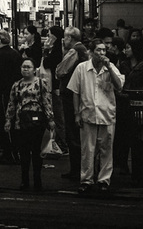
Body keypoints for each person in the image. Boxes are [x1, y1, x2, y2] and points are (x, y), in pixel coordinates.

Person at [69, 38, 125, 194]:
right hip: (88, 114)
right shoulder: (81, 68)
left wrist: (109, 67)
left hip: (107, 114)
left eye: (104, 50)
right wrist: (77, 113)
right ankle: (86, 180)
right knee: (88, 149)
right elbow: (75, 92)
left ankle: (104, 180)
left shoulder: (111, 67)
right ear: (91, 52)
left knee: (106, 149)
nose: (102, 53)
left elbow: (119, 86)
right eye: (98, 50)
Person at [6, 58, 55, 192]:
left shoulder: (41, 83)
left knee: (36, 151)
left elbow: (46, 101)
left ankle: (37, 180)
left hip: (37, 122)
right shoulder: (17, 85)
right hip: (21, 122)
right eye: (23, 67)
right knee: (24, 152)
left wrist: (50, 119)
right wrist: (8, 120)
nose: (25, 69)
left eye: (28, 67)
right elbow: (12, 103)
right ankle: (24, 180)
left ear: (34, 69)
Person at [115, 38, 143, 174]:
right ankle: (122, 165)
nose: (125, 50)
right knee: (122, 137)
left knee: (136, 137)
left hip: (137, 106)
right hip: (123, 106)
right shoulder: (123, 64)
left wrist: (135, 95)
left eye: (128, 48)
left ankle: (139, 167)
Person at [55, 26, 89, 180]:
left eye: (65, 37)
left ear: (70, 38)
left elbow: (60, 71)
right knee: (75, 132)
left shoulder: (74, 51)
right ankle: (78, 168)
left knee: (72, 132)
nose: (64, 40)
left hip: (70, 95)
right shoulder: (82, 50)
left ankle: (76, 169)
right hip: (77, 94)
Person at [0, 30, 24, 165]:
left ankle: (8, 152)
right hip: (15, 93)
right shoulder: (15, 54)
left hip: (3, 95)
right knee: (14, 123)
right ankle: (15, 151)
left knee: (4, 123)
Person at [41, 25, 68, 154]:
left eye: (49, 35)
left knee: (58, 115)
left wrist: (46, 51)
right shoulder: (59, 49)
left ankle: (62, 143)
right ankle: (60, 141)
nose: (48, 37)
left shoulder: (57, 51)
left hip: (56, 87)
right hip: (55, 86)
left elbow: (47, 63)